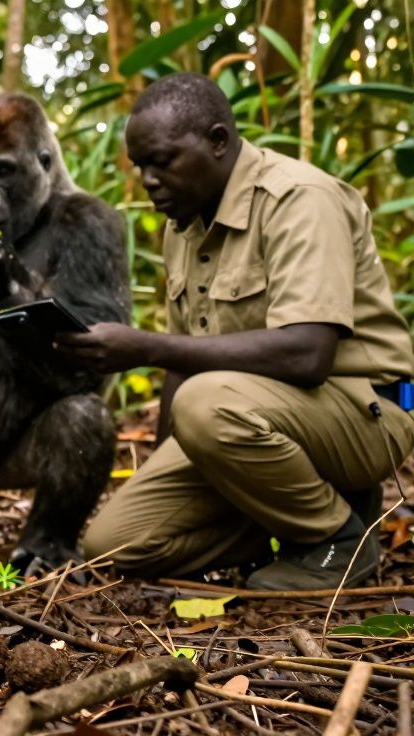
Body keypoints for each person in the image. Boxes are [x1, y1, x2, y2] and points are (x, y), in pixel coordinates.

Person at [60, 73, 414, 591]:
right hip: (253, 423)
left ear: (218, 141)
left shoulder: (299, 199)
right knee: (118, 542)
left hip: (363, 414)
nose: (148, 180)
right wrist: (162, 472)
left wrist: (145, 348)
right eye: (140, 166)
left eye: (163, 161)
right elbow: (184, 363)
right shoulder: (184, 226)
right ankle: (304, 514)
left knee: (205, 402)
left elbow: (308, 354)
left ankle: (335, 540)